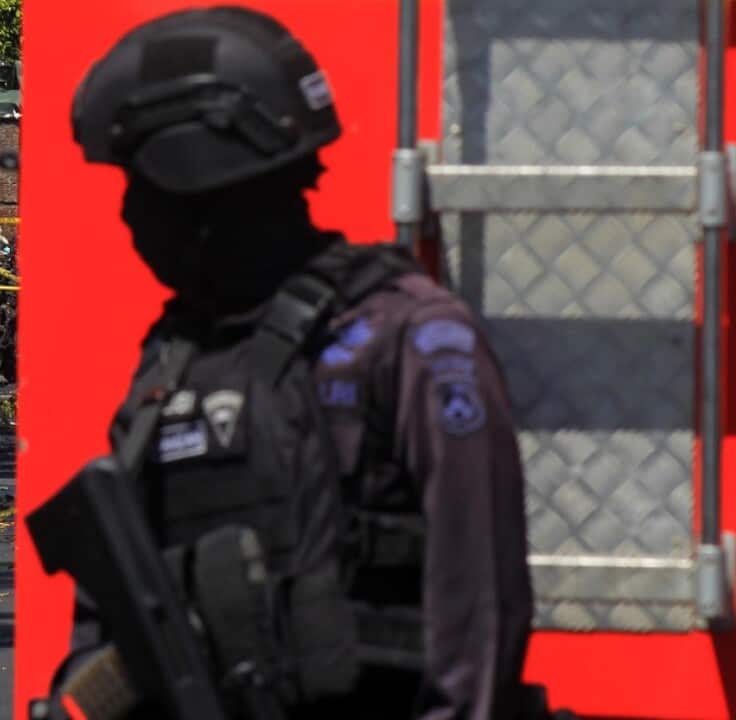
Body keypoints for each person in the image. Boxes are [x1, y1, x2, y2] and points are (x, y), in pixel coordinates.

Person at [53, 6, 535, 719]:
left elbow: (479, 617)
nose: (129, 216)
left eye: (141, 189)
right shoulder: (175, 362)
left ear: (203, 187)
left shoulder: (409, 338)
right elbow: (114, 613)